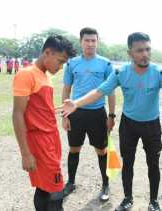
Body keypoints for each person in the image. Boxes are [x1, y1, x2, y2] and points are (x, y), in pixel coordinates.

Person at [57, 32, 162, 211]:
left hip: (151, 125)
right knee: (128, 163)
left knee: (153, 164)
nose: (145, 54)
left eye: (148, 49)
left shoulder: (159, 72)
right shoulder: (120, 72)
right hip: (129, 124)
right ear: (130, 53)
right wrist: (75, 103)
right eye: (139, 50)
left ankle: (153, 201)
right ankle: (127, 198)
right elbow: (100, 91)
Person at [12, 35, 76, 211]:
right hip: (39, 141)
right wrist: (25, 153)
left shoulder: (44, 75)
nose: (61, 67)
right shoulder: (26, 74)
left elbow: (37, 106)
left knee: (44, 186)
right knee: (56, 190)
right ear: (48, 52)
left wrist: (55, 110)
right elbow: (17, 114)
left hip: (51, 138)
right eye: (60, 61)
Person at [61, 27, 116, 202]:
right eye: (87, 40)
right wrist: (65, 116)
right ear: (81, 41)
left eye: (93, 40)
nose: (90, 44)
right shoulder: (71, 64)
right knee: (74, 148)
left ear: (97, 42)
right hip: (76, 113)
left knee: (101, 150)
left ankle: (106, 184)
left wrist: (111, 116)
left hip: (97, 114)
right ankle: (70, 182)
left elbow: (111, 92)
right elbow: (66, 90)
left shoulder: (106, 64)